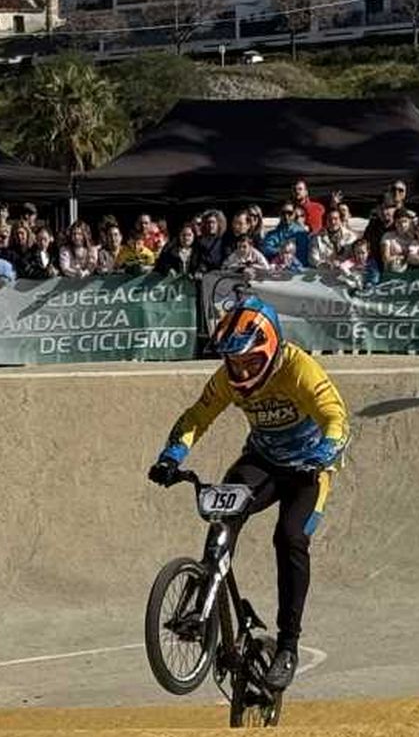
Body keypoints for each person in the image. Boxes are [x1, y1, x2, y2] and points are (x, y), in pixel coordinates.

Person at [148, 296, 350, 691]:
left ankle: (288, 645)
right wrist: (172, 456)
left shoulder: (298, 368)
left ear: (271, 348)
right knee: (223, 511)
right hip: (262, 459)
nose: (240, 371)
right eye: (233, 363)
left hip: (309, 468)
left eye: (249, 362)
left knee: (290, 538)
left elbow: (335, 417)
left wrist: (323, 453)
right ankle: (205, 597)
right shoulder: (227, 378)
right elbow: (197, 415)